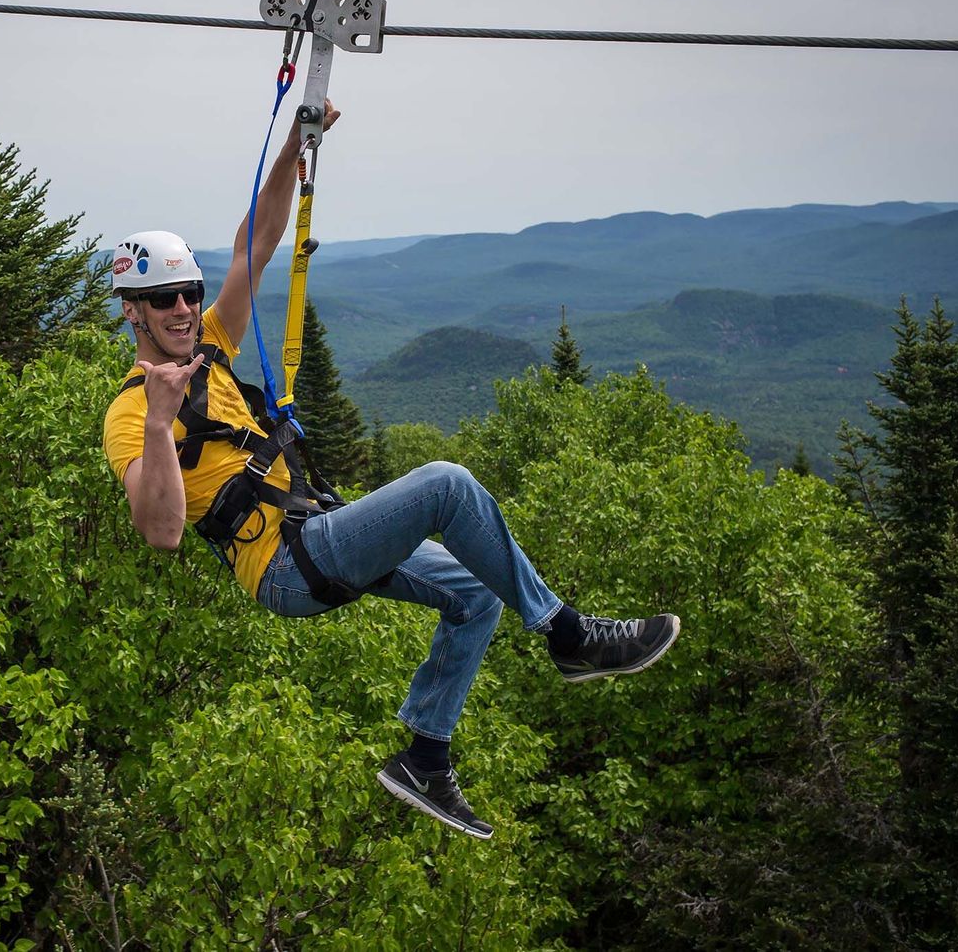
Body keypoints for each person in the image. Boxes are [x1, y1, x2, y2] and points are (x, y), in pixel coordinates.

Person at [101, 101, 679, 840]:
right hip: (281, 563)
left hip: (316, 529)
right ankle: (571, 636)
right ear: (133, 313)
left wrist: (292, 153)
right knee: (445, 483)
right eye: (163, 299)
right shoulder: (128, 413)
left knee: (479, 589)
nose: (185, 308)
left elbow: (260, 240)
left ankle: (424, 757)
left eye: (189, 291)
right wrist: (158, 417)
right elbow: (161, 532)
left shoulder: (210, 345)